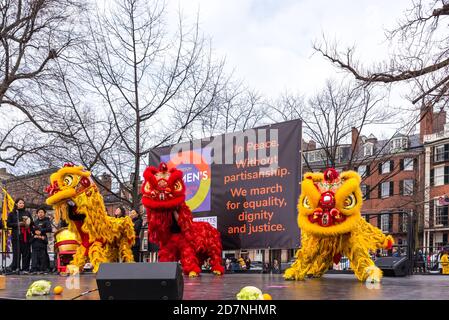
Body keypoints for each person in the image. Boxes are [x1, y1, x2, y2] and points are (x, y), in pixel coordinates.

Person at [7, 198, 33, 274]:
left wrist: (27, 224)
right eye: (20, 203)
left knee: (26, 253)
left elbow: (32, 223)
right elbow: (8, 224)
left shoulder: (27, 212)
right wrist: (18, 224)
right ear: (16, 204)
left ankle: (25, 269)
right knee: (16, 252)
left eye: (23, 203)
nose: (21, 204)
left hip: (26, 235)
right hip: (16, 236)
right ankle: (15, 268)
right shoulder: (12, 213)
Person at [30, 208, 52, 274]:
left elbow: (49, 229)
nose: (40, 214)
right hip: (35, 240)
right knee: (34, 255)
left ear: (44, 214)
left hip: (42, 240)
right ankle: (34, 268)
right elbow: (32, 229)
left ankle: (44, 268)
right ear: (37, 214)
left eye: (42, 212)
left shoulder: (47, 221)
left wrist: (41, 231)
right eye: (39, 212)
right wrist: (35, 233)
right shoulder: (35, 222)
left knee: (43, 255)